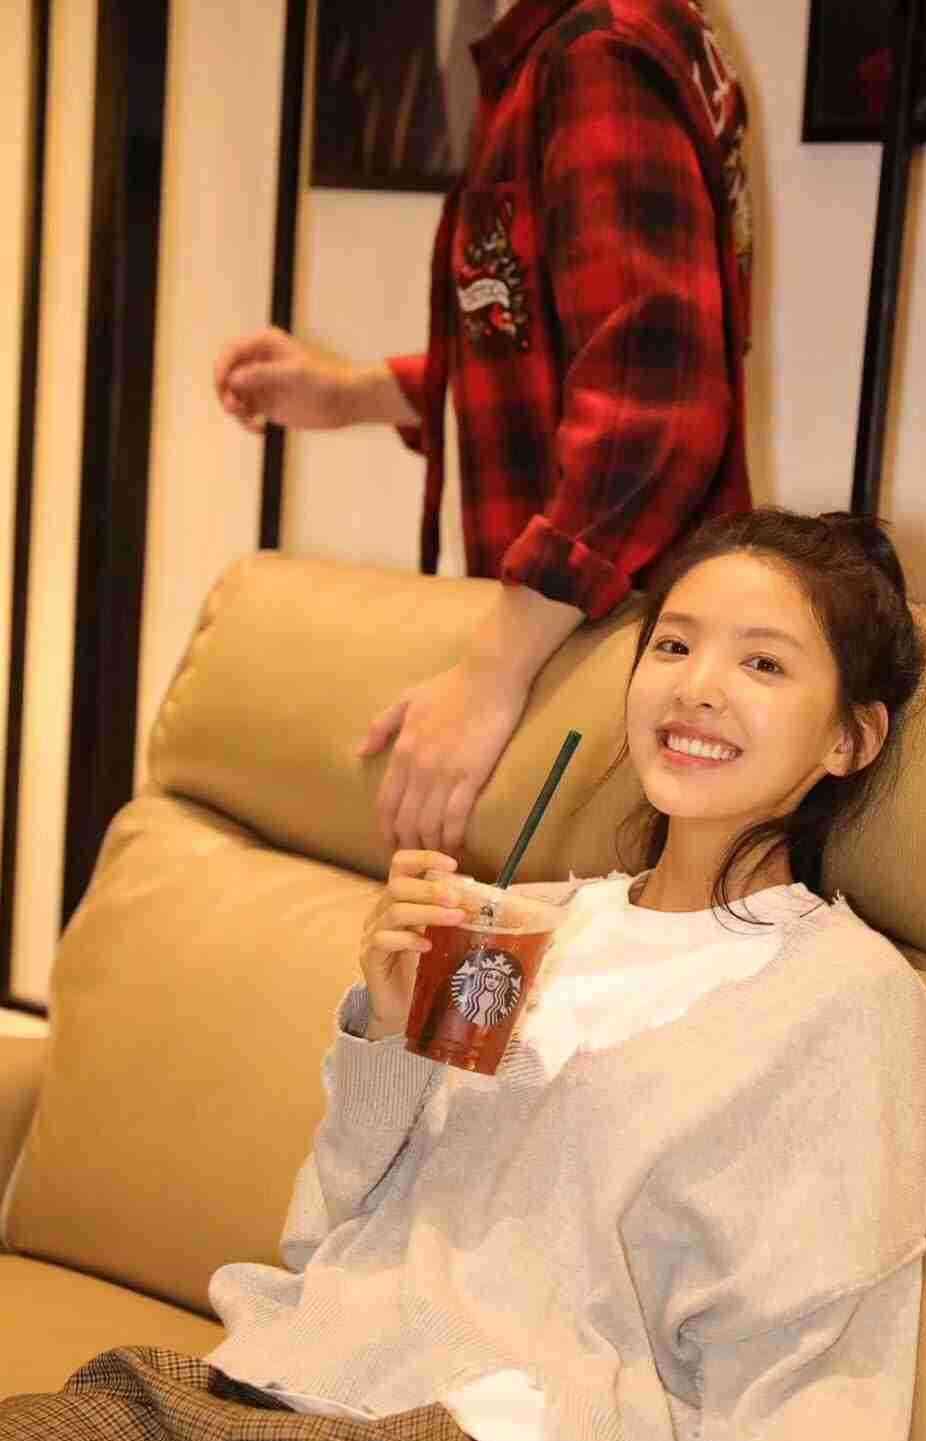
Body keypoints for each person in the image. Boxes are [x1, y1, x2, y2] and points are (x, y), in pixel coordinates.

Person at [0, 508, 926, 1441]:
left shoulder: (846, 1000)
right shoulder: (521, 924)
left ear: (849, 741)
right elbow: (324, 1234)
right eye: (675, 644)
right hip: (245, 1397)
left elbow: (819, 1369)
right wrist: (390, 1036)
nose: (697, 687)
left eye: (764, 663)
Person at [215, 0, 754, 859]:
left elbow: (653, 406)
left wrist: (493, 671)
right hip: (599, 642)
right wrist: (351, 395)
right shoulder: (574, 46)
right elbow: (547, 349)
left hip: (600, 656)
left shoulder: (597, 52)